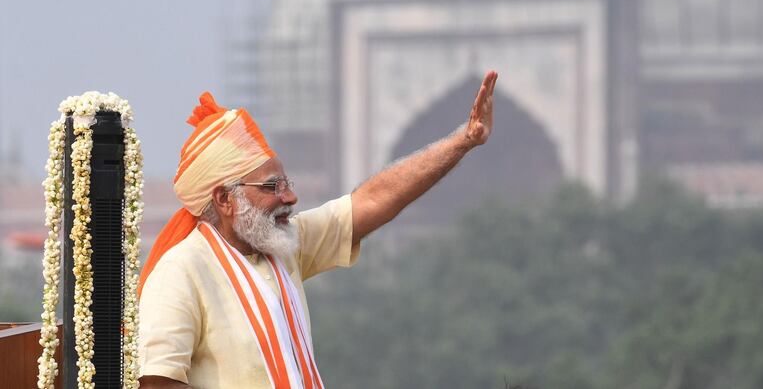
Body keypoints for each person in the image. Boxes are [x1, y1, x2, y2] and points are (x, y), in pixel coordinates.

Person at [137, 70, 498, 389]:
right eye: (272, 187)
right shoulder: (181, 272)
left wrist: (462, 141)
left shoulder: (283, 245)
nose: (290, 197)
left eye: (286, 183)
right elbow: (158, 384)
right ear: (224, 199)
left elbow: (372, 200)